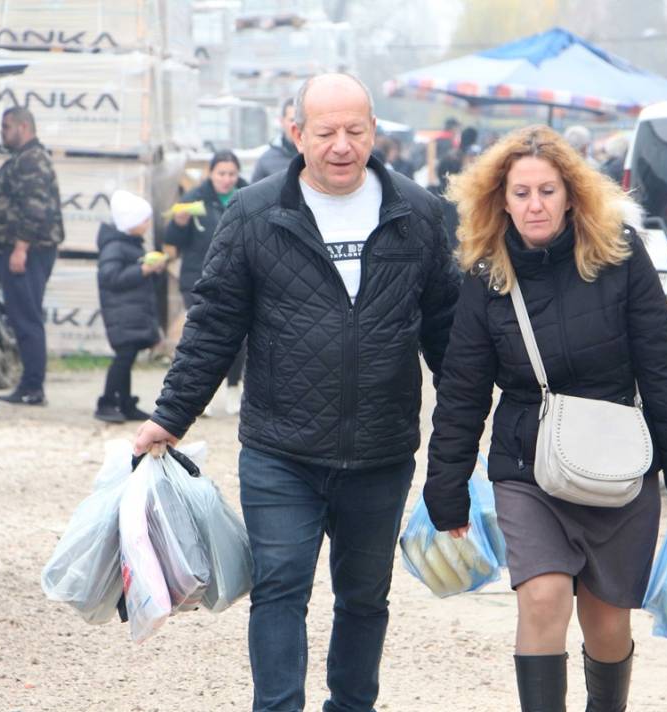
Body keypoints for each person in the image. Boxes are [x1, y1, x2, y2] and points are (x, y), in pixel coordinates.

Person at [134, 72, 460, 712]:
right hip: (280, 450)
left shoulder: (418, 213)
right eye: (326, 132)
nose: (342, 146)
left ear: (374, 132)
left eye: (355, 131)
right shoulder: (255, 214)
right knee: (281, 589)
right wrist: (169, 417)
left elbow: (447, 328)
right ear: (296, 134)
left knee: (365, 597)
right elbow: (215, 324)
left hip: (382, 449)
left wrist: (469, 423)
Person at [423, 125, 667, 711]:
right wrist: (445, 487)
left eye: (547, 191)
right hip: (528, 464)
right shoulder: (486, 275)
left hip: (617, 465)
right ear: (500, 199)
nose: (535, 205)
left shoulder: (620, 255)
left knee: (606, 626)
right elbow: (462, 390)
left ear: (572, 194)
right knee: (544, 598)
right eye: (521, 192)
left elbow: (661, 366)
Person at [0, 107, 65, 406]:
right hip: (16, 249)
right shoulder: (22, 159)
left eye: (6, 126)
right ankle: (30, 384)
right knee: (22, 318)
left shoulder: (32, 160)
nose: (2, 132)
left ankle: (32, 388)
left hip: (27, 252)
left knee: (26, 318)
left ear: (23, 126)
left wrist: (21, 247)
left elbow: (35, 208)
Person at [164, 150, 249, 416]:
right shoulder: (194, 199)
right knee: (204, 337)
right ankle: (204, 396)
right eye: (221, 173)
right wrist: (178, 224)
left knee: (238, 337)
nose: (226, 179)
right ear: (211, 174)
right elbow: (173, 241)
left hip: (238, 278)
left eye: (231, 174)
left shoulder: (247, 196)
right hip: (198, 278)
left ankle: (234, 388)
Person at [94, 190, 165, 423]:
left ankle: (124, 403)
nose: (147, 225)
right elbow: (110, 277)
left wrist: (152, 270)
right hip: (122, 313)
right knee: (123, 357)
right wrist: (143, 270)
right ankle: (106, 401)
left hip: (132, 312)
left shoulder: (131, 244)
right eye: (144, 220)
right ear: (130, 222)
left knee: (128, 355)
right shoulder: (115, 246)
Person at [251, 97, 298, 183]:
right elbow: (254, 194)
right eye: (292, 120)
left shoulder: (315, 155)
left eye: (299, 120)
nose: (296, 125)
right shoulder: (266, 160)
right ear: (282, 121)